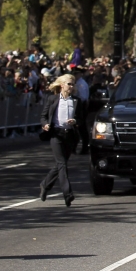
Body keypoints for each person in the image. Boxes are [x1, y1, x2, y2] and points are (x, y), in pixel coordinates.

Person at [40, 74, 80, 207]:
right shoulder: (53, 99)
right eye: (69, 84)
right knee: (62, 164)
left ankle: (45, 185)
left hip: (69, 135)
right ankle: (68, 194)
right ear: (62, 85)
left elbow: (81, 118)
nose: (71, 86)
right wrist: (45, 124)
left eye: (73, 84)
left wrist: (75, 121)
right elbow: (43, 116)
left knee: (60, 165)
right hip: (56, 135)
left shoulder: (75, 101)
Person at [74, 69, 91, 154]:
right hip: (80, 106)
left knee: (81, 127)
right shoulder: (79, 83)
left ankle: (84, 147)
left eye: (76, 74)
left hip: (80, 106)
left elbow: (83, 97)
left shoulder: (81, 84)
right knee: (80, 127)